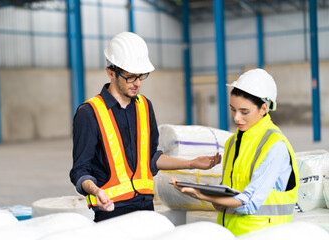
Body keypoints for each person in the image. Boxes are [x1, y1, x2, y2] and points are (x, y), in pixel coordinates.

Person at [69, 31, 221, 222]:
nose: (138, 83)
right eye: (131, 77)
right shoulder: (89, 113)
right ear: (111, 72)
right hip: (111, 213)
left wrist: (192, 163)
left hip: (146, 210)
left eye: (141, 76)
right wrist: (95, 190)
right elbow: (80, 170)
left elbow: (150, 159)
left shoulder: (145, 106)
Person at [171, 68, 299, 236]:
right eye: (233, 110)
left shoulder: (275, 146)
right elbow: (227, 197)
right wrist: (206, 195)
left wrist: (204, 195)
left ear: (263, 108)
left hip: (263, 235)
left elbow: (251, 202)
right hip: (230, 233)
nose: (236, 118)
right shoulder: (232, 143)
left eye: (244, 112)